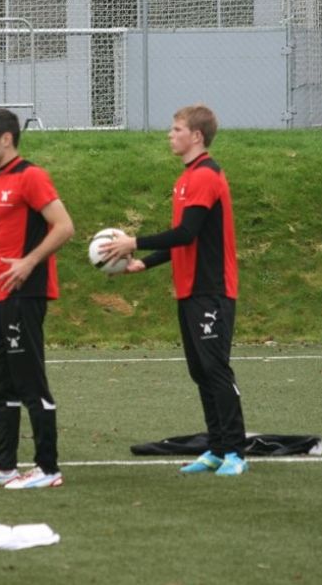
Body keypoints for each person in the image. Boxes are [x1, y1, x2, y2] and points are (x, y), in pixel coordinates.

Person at [101, 104, 248, 476]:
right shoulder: (186, 179)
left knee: (216, 369)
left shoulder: (206, 176)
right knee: (200, 371)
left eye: (176, 128)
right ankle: (216, 449)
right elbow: (184, 240)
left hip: (211, 289)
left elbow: (186, 233)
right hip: (189, 289)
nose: (170, 134)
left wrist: (134, 241)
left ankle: (235, 452)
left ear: (196, 136)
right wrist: (142, 262)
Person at [0, 108, 75, 490]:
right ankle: (5, 465)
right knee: (1, 383)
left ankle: (48, 468)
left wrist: (29, 262)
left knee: (31, 382)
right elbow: (13, 232)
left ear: (6, 139)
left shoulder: (31, 177)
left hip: (24, 294)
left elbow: (64, 227)